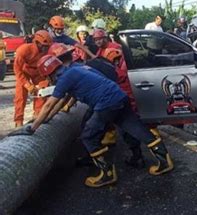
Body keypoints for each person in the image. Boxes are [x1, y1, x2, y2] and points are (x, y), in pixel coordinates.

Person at [24, 55, 174, 188]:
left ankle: (107, 175)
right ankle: (165, 161)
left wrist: (34, 127)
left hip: (106, 104)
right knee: (135, 127)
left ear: (49, 74)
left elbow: (50, 103)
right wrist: (49, 117)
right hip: (119, 95)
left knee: (88, 136)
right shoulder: (78, 68)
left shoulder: (64, 78)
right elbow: (65, 99)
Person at [13, 30, 52, 127]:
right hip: (24, 72)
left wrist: (47, 81)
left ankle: (38, 115)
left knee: (42, 92)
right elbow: (17, 70)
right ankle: (18, 120)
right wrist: (27, 85)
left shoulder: (48, 51)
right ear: (37, 42)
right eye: (44, 46)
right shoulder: (23, 50)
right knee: (20, 96)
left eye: (47, 46)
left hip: (38, 72)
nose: (45, 48)